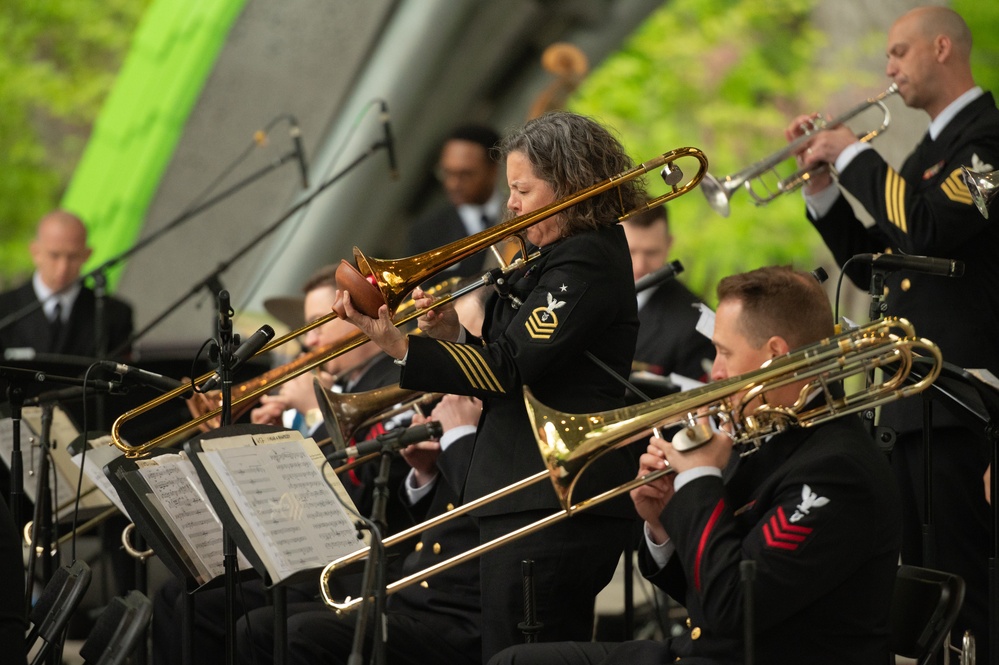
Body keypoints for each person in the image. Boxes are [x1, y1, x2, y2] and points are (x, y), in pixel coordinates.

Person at [333, 110, 643, 661]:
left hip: (549, 498)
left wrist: (401, 346)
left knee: (522, 654)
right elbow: (507, 367)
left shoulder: (585, 258)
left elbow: (508, 369)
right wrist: (450, 335)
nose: (511, 206)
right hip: (527, 494)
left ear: (569, 186)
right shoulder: (553, 256)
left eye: (523, 189)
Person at [490, 265, 903, 665]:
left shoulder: (838, 470)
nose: (715, 372)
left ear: (775, 356)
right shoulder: (772, 437)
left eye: (724, 352)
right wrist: (664, 525)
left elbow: (731, 606)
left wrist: (700, 479)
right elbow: (704, 591)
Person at [787, 7, 997, 659]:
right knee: (921, 577)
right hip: (913, 399)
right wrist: (823, 186)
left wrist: (851, 152)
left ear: (941, 48)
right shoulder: (929, 149)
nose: (888, 68)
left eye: (899, 52)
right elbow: (885, 255)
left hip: (960, 399)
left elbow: (929, 230)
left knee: (964, 581)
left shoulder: (987, 137)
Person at [153, 265, 410, 665]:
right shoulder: (347, 383)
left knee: (215, 613)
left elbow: (365, 487)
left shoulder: (386, 378)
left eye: (322, 322)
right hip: (309, 553)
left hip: (354, 567)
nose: (310, 338)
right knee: (179, 595)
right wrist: (266, 440)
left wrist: (309, 415)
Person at [237, 393, 483, 665]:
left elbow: (496, 507)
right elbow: (447, 514)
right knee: (256, 628)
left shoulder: (506, 417)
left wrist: (460, 439)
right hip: (410, 599)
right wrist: (425, 473)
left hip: (463, 619)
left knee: (300, 632)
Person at [0, 209, 133, 359]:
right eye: (54, 255)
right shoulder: (4, 309)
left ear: (87, 254)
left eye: (73, 257)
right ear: (35, 252)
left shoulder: (113, 314)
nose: (63, 267)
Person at [622, 203, 713, 383]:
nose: (640, 265)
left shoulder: (696, 323)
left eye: (651, 252)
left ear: (669, 244)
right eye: (630, 251)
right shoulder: (583, 288)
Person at [407, 124, 504, 279]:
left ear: (493, 169)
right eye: (447, 173)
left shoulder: (522, 209)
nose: (453, 184)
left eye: (465, 174)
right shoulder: (425, 234)